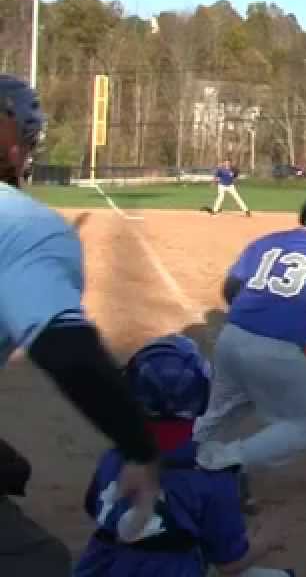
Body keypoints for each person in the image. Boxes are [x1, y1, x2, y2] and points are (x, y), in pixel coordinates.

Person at [0, 75, 161, 575]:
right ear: (14, 146)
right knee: (41, 564)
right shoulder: (23, 225)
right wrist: (139, 446)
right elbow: (67, 352)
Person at [75, 334, 293, 576]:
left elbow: (93, 509)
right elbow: (230, 564)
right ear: (202, 399)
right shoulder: (213, 474)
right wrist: (265, 540)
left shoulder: (115, 457)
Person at [193, 187, 306, 504]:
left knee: (220, 412)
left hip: (232, 335)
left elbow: (231, 289)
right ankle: (224, 464)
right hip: (277, 349)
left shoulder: (266, 242)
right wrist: (290, 337)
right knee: (305, 425)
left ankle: (177, 463)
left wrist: (254, 317)